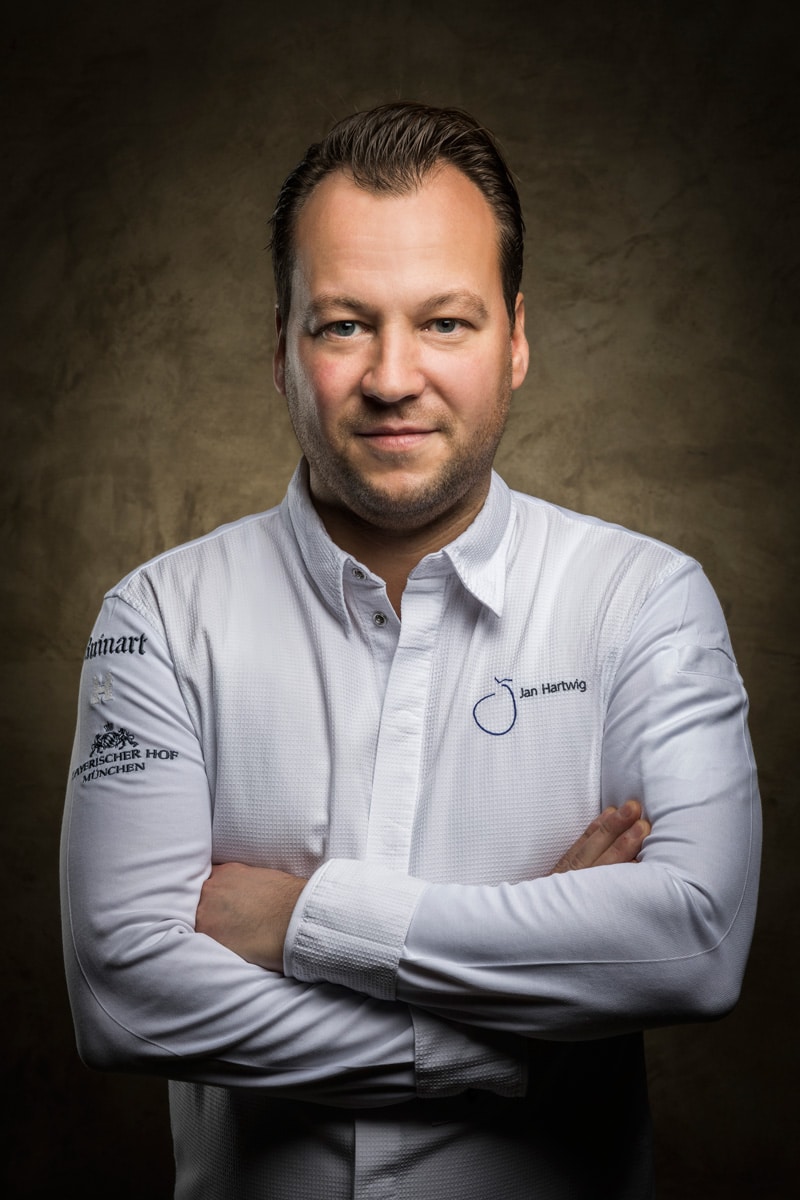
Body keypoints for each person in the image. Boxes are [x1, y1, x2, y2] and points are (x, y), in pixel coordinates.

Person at [60, 103, 761, 1199]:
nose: (393, 376)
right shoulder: (157, 618)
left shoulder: (643, 603)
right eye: (344, 325)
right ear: (281, 347)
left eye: (444, 322)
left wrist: (301, 921)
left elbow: (694, 943)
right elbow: (123, 999)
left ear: (514, 339)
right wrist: (499, 1040)